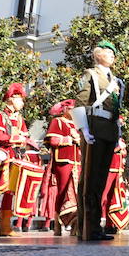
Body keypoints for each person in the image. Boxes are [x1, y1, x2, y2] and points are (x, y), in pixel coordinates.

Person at [74, 40, 123, 241]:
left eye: (113, 52)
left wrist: (118, 134)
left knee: (101, 180)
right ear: (98, 54)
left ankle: (96, 225)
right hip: (94, 127)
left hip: (109, 130)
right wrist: (83, 128)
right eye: (108, 52)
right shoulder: (90, 74)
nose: (112, 55)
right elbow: (80, 102)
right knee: (90, 179)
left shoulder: (118, 81)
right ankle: (86, 225)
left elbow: (117, 109)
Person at [0, 82, 31, 237]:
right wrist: (17, 138)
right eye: (21, 99)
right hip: (1, 156)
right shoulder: (0, 115)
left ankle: (5, 226)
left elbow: (25, 137)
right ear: (12, 98)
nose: (22, 103)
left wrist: (20, 139)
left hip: (15, 157)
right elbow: (0, 137)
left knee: (10, 192)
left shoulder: (20, 119)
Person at [45, 99, 82, 235]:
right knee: (63, 191)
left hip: (77, 161)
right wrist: (69, 139)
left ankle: (75, 224)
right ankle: (58, 223)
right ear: (65, 109)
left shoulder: (78, 124)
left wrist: (79, 140)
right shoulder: (57, 121)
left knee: (77, 192)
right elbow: (53, 140)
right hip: (63, 161)